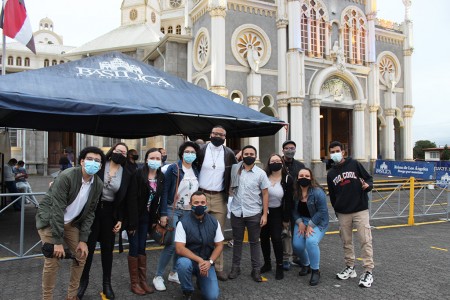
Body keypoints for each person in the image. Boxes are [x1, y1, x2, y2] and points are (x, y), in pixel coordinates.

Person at [35, 146, 105, 300]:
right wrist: (58, 242)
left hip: (71, 224)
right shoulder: (67, 176)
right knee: (53, 260)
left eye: (97, 161)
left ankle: (72, 296)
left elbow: (90, 213)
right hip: (50, 221)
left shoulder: (98, 184)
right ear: (81, 161)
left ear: (100, 166)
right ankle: (47, 297)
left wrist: (83, 240)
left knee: (81, 255)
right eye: (90, 159)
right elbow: (56, 210)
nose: (93, 163)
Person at [78, 142, 133, 299]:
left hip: (110, 214)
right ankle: (83, 283)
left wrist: (121, 219)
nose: (120, 154)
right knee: (87, 248)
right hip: (92, 212)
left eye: (124, 153)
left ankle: (106, 284)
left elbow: (124, 199)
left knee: (107, 251)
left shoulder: (127, 173)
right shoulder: (99, 165)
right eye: (118, 151)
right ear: (112, 151)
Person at [326, 141, 374, 288]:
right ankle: (350, 267)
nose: (335, 154)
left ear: (343, 152)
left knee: (365, 240)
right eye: (332, 152)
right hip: (343, 212)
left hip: (360, 209)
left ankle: (368, 271)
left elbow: (368, 178)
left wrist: (368, 186)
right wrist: (336, 209)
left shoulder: (354, 164)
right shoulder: (331, 173)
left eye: (337, 151)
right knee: (346, 242)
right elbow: (332, 195)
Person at [153, 141, 200, 291]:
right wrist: (163, 214)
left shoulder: (196, 169)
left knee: (182, 245)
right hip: (173, 210)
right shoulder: (174, 169)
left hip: (189, 212)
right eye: (187, 151)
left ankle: (174, 272)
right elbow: (165, 191)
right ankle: (158, 275)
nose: (190, 154)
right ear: (181, 153)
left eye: (193, 152)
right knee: (171, 244)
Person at [197, 125, 237, 281]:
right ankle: (199, 264)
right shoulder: (201, 150)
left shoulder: (229, 153)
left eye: (221, 135)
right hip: (201, 195)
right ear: (210, 134)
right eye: (215, 133)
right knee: (199, 232)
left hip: (220, 197)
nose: (217, 136)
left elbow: (235, 172)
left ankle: (218, 267)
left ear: (225, 137)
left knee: (218, 234)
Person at [125, 148, 165, 295]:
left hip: (147, 218)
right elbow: (132, 199)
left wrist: (154, 219)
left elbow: (157, 201)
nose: (155, 161)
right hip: (135, 218)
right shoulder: (138, 174)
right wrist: (132, 223)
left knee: (142, 247)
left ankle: (142, 281)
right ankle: (134, 283)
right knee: (134, 247)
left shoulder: (161, 176)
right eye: (152, 157)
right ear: (146, 159)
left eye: (158, 158)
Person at [228, 145, 269, 282]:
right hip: (237, 211)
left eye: (252, 153)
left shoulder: (261, 173)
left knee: (254, 242)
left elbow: (265, 194)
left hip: (254, 212)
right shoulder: (235, 169)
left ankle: (256, 269)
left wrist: (264, 215)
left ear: (255, 156)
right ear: (242, 155)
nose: (249, 155)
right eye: (246, 153)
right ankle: (235, 267)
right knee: (237, 241)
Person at [175, 191, 223, 300]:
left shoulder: (214, 222)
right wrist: (200, 260)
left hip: (207, 262)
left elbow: (219, 245)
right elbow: (179, 248)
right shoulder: (183, 222)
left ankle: (201, 281)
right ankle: (187, 290)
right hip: (189, 261)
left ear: (206, 204)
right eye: (196, 203)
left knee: (212, 297)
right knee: (183, 264)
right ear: (190, 204)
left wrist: (209, 262)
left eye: (202, 202)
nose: (200, 205)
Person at [292, 168, 329, 286]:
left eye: (307, 176)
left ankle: (315, 270)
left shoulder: (318, 192)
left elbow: (322, 211)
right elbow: (293, 210)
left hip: (318, 222)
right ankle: (306, 264)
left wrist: (310, 225)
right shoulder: (295, 192)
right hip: (302, 220)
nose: (304, 178)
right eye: (301, 175)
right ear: (297, 178)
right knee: (297, 245)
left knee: (311, 241)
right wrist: (300, 223)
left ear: (311, 178)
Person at [260, 154, 293, 280]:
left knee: (276, 238)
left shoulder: (287, 179)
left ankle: (279, 266)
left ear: (282, 163)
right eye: (273, 161)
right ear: (268, 163)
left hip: (278, 212)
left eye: (278, 161)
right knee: (263, 238)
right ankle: (267, 263)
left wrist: (286, 219)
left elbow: (289, 200)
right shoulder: (264, 176)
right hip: (263, 211)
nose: (275, 163)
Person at [281, 140, 306, 270]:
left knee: (298, 231)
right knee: (285, 232)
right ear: (283, 150)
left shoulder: (300, 165)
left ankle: (297, 256)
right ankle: (286, 258)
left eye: (292, 148)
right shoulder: (278, 164)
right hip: (283, 203)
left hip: (297, 203)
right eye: (287, 148)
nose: (290, 150)